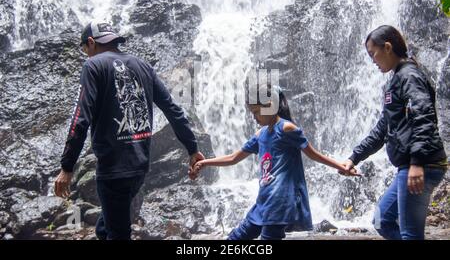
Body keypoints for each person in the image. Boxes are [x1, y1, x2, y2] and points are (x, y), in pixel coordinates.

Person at [54, 21, 205, 240]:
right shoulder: (142, 65)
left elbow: (80, 119)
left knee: (117, 233)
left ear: (90, 42)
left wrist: (67, 167)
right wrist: (192, 148)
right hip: (140, 168)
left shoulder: (93, 66)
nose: (87, 55)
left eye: (85, 50)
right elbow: (173, 110)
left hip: (113, 170)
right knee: (106, 228)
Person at [192, 85, 359, 240]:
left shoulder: (287, 129)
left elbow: (314, 154)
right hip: (264, 200)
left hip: (281, 202)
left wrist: (342, 166)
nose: (254, 117)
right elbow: (234, 158)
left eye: (256, 112)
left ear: (270, 105)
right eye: (252, 112)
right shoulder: (260, 135)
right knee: (236, 237)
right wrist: (205, 162)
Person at [342, 25, 448, 240]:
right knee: (382, 220)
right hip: (410, 165)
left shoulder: (408, 76)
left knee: (410, 234)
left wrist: (417, 162)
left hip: (420, 165)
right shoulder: (397, 80)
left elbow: (424, 115)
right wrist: (354, 157)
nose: (372, 60)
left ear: (387, 47)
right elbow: (383, 129)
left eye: (373, 54)